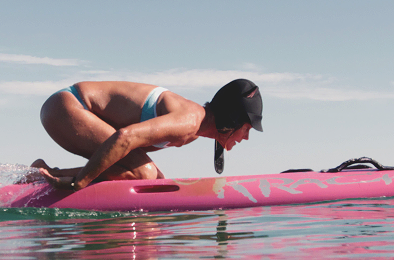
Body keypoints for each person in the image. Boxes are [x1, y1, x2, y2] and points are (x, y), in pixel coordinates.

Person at [31, 79, 262, 191]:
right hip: (68, 107)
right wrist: (81, 182)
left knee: (152, 178)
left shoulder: (192, 129)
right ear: (232, 120)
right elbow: (125, 137)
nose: (247, 137)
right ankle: (52, 176)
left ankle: (38, 176)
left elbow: (133, 150)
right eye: (247, 128)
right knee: (145, 173)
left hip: (68, 107)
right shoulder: (189, 121)